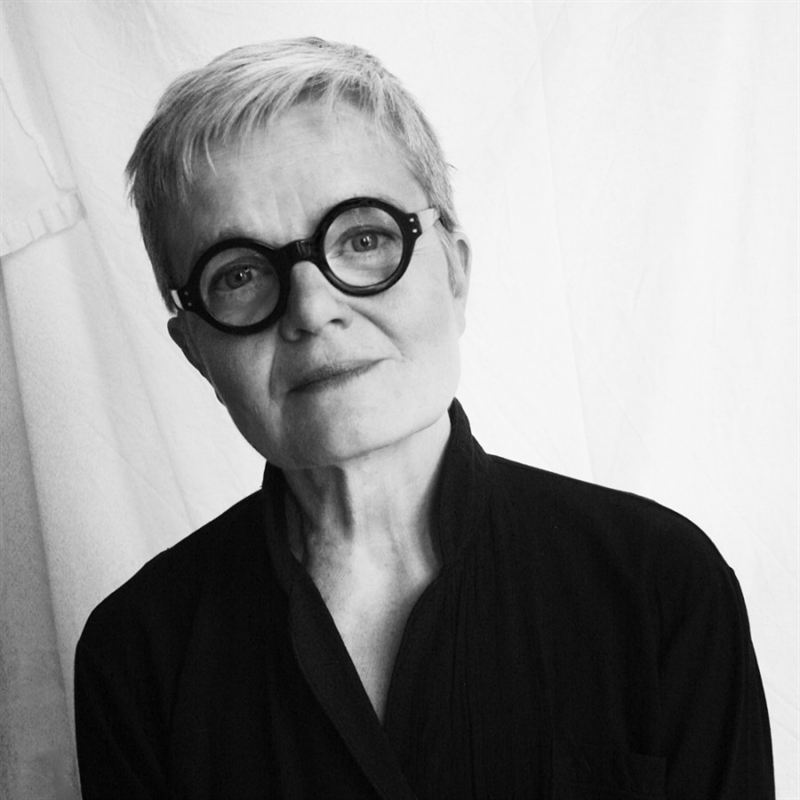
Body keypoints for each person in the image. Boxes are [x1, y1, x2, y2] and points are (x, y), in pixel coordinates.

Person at [74, 37, 774, 799]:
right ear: (194, 350)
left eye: (363, 238)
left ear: (455, 272)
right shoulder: (137, 657)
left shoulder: (660, 588)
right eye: (239, 274)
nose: (312, 308)